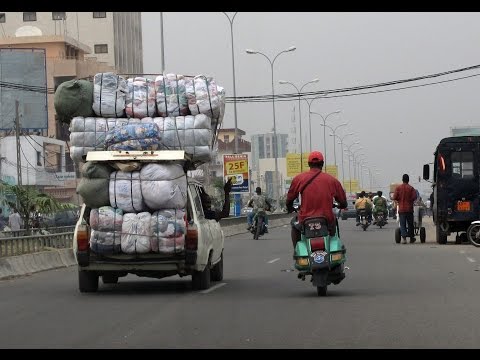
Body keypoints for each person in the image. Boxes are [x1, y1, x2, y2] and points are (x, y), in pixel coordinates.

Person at [286, 151, 347, 256]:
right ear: (322, 164)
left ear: (309, 164)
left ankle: (297, 253)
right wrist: (341, 205)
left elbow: (290, 198)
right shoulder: (332, 180)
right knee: (333, 232)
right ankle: (334, 254)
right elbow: (342, 201)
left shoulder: (299, 179)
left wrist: (289, 207)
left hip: (305, 219)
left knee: (294, 225)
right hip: (327, 219)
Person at [393, 174, 417, 244]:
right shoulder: (411, 188)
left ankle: (404, 239)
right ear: (408, 180)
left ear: (402, 180)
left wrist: (399, 199)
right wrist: (409, 200)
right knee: (410, 224)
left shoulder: (398, 188)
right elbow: (414, 197)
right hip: (409, 209)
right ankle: (411, 238)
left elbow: (394, 197)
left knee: (402, 224)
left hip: (402, 209)